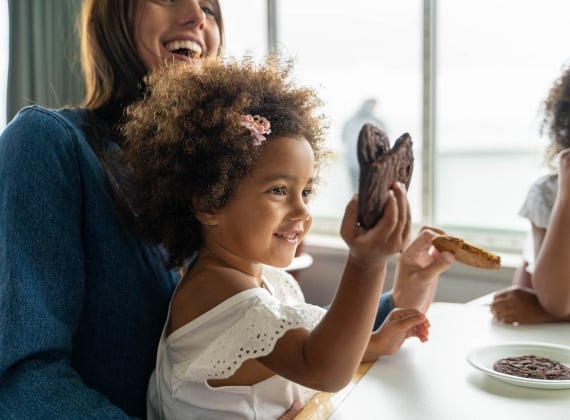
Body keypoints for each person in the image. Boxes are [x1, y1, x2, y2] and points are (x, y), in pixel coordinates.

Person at [0, 0, 452, 418]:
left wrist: (404, 289)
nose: (198, 16)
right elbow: (21, 378)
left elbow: (281, 332)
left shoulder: (218, 175)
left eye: (212, 9)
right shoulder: (49, 144)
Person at [120, 56, 434, 419]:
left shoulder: (272, 281)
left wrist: (374, 342)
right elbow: (322, 367)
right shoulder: (212, 292)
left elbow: (306, 353)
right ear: (209, 202)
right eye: (279, 190)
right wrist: (366, 262)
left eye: (306, 192)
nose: (302, 212)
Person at [490, 65, 570, 324]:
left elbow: (546, 309)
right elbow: (545, 301)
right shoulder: (549, 194)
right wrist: (566, 198)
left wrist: (549, 315)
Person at [342, 98, 388, 192]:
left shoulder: (377, 122)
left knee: (368, 190)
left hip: (371, 164)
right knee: (357, 190)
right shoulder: (352, 121)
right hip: (354, 163)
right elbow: (343, 138)